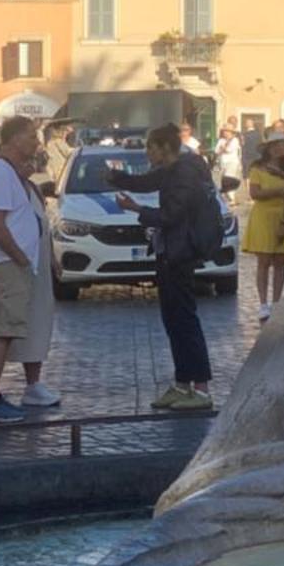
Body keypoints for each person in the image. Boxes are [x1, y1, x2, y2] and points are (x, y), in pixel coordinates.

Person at [106, 124, 217, 410]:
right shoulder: (174, 169)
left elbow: (171, 215)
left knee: (184, 319)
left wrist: (135, 209)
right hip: (170, 250)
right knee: (173, 319)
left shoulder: (183, 172)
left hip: (179, 252)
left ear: (164, 148)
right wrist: (116, 176)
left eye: (150, 147)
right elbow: (146, 182)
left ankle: (201, 389)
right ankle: (182, 384)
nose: (147, 153)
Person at [0, 116, 57, 422]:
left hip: (14, 263)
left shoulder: (11, 173)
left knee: (3, 330)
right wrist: (20, 257)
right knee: (1, 332)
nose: (36, 142)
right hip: (8, 264)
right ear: (13, 140)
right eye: (31, 136)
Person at [244, 130, 284, 320]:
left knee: (280, 263)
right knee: (263, 262)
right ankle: (263, 303)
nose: (279, 150)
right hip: (263, 218)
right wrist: (278, 191)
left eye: (282, 146)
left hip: (282, 216)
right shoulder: (257, 169)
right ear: (269, 149)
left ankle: (277, 302)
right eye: (275, 146)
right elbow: (254, 193)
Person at [212, 118, 243, 204]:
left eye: (227, 131)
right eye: (224, 131)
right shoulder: (221, 140)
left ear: (231, 132)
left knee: (229, 178)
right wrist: (222, 149)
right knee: (224, 179)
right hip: (223, 163)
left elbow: (229, 150)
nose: (225, 133)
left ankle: (232, 199)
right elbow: (216, 151)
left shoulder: (235, 140)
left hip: (232, 162)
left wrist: (223, 148)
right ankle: (229, 197)